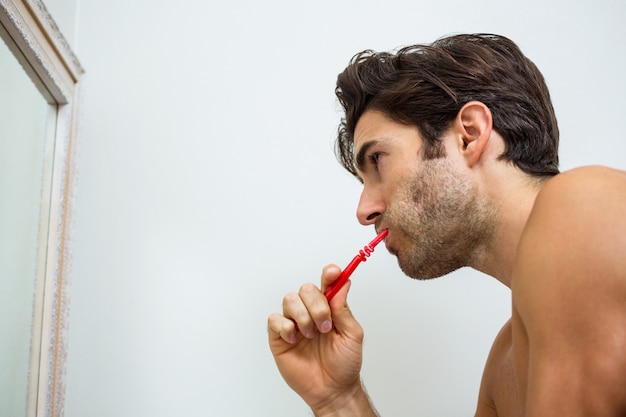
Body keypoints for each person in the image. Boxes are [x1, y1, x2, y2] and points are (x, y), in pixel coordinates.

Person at [266, 33, 626, 416]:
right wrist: (339, 400)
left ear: (469, 134)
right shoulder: (505, 362)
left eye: (378, 161)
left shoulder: (587, 203)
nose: (364, 210)